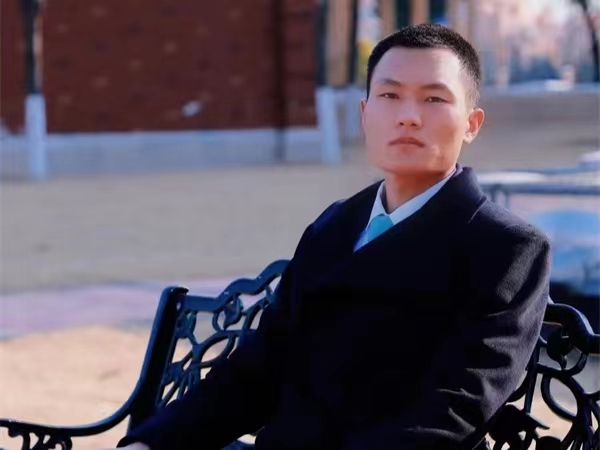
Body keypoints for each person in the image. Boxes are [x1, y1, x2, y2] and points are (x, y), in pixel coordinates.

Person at [108, 23, 551, 450]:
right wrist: (152, 442)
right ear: (365, 113)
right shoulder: (334, 227)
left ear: (472, 124)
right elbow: (258, 370)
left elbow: (453, 410)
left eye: (434, 98)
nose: (408, 117)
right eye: (389, 95)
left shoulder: (505, 248)